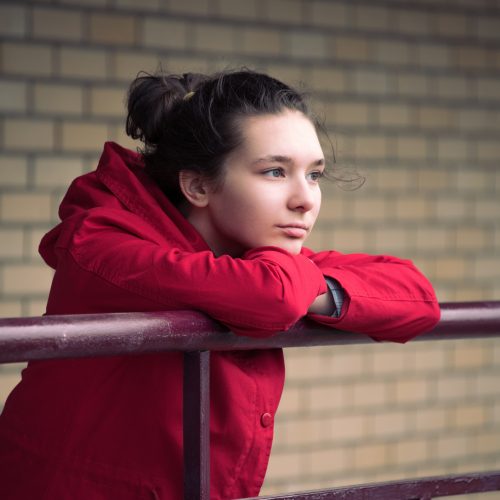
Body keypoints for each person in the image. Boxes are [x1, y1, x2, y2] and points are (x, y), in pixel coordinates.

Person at [0, 69, 440, 499]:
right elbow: (273, 295)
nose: (305, 198)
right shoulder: (105, 244)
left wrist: (316, 289)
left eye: (314, 174)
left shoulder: (252, 253)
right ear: (197, 185)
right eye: (274, 171)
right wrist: (299, 283)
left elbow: (417, 297)